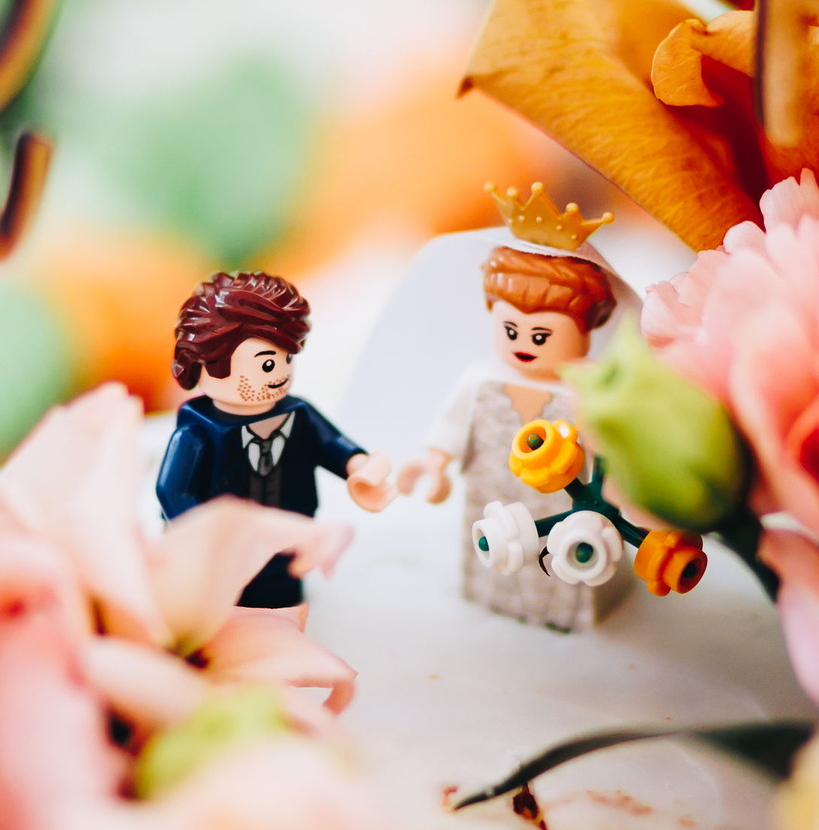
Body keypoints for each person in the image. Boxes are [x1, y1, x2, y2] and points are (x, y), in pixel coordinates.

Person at [397, 241, 623, 630]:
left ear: (584, 329)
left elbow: (610, 445)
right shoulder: (481, 378)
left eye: (541, 336)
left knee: (568, 560)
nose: (523, 345)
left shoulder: (585, 386)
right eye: (511, 330)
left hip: (566, 501)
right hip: (492, 491)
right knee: (493, 553)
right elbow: (452, 423)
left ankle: (564, 614)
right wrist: (435, 461)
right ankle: (491, 596)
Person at [157, 270, 393, 613]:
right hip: (228, 554)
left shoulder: (299, 414)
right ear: (208, 364)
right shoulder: (199, 432)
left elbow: (331, 444)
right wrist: (201, 534)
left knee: (283, 589)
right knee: (229, 599)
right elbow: (173, 490)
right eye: (267, 364)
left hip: (291, 534)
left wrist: (359, 467)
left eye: (287, 358)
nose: (281, 373)